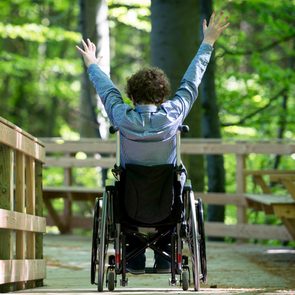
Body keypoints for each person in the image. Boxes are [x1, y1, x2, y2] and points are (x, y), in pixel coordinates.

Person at [77, 11, 229, 274]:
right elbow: (192, 81)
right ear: (163, 96)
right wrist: (208, 42)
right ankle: (166, 259)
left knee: (123, 190)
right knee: (177, 188)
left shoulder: (121, 116)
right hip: (167, 203)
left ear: (132, 97)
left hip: (130, 203)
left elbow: (107, 91)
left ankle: (133, 259)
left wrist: (92, 65)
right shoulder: (173, 114)